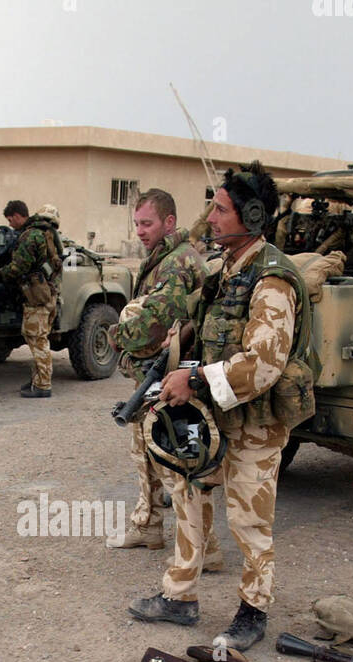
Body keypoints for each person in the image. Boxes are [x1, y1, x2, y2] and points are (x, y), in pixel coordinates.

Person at [129, 162, 309, 651]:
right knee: (186, 489)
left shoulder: (272, 281)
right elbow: (203, 328)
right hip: (216, 417)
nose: (210, 217)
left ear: (251, 216)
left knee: (249, 522)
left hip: (256, 423)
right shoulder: (226, 269)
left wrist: (194, 377)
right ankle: (180, 596)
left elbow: (263, 367)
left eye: (221, 209)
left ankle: (253, 610)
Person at [106, 187, 221, 569]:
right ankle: (149, 526)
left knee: (175, 461)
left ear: (169, 222)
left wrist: (116, 335)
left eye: (147, 223)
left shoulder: (176, 262)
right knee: (145, 454)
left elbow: (151, 324)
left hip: (174, 381)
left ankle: (206, 547)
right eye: (137, 223)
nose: (140, 230)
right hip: (155, 378)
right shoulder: (162, 257)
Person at [0, 200, 62, 398]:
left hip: (36, 297)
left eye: (10, 220)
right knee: (38, 339)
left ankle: (43, 385)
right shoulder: (49, 234)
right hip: (49, 294)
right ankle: (38, 379)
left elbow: (18, 267)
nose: (10, 224)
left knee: (37, 340)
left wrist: (0, 273)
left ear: (18, 216)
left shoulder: (31, 235)